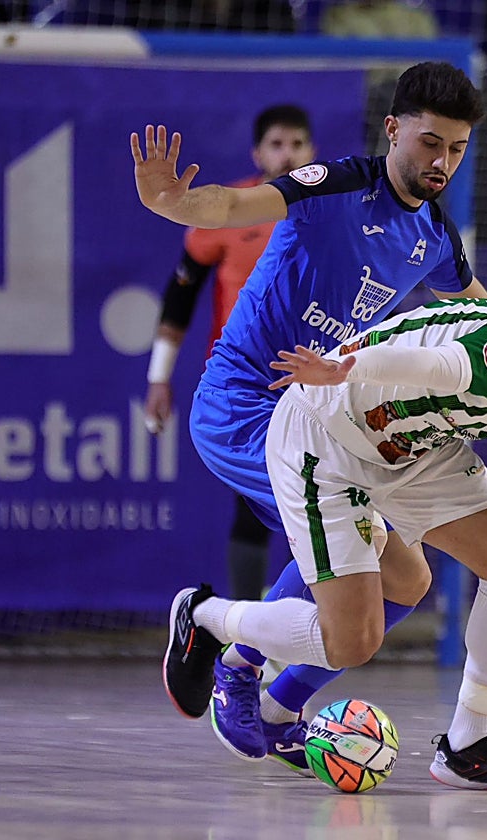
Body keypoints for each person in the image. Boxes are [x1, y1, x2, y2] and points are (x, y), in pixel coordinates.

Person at [135, 61, 487, 775]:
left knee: (408, 581)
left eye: (456, 149)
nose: (442, 162)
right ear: (393, 129)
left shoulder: (435, 238)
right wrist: (171, 203)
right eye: (429, 143)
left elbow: (486, 319)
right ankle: (224, 647)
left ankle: (276, 703)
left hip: (318, 419)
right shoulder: (337, 184)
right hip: (244, 406)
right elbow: (232, 209)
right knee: (346, 575)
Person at [166, 296, 487, 791]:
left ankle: (466, 747)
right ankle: (207, 616)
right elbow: (434, 365)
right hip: (328, 440)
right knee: (351, 640)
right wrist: (344, 367)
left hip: (413, 445)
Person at [143, 104, 317, 601]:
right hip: (247, 382)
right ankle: (250, 629)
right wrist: (159, 377)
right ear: (257, 153)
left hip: (313, 378)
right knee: (259, 501)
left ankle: (296, 621)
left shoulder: (332, 210)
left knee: (315, 499)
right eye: (278, 144)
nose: (288, 155)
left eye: (298, 144)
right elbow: (181, 294)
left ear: (313, 151)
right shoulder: (229, 208)